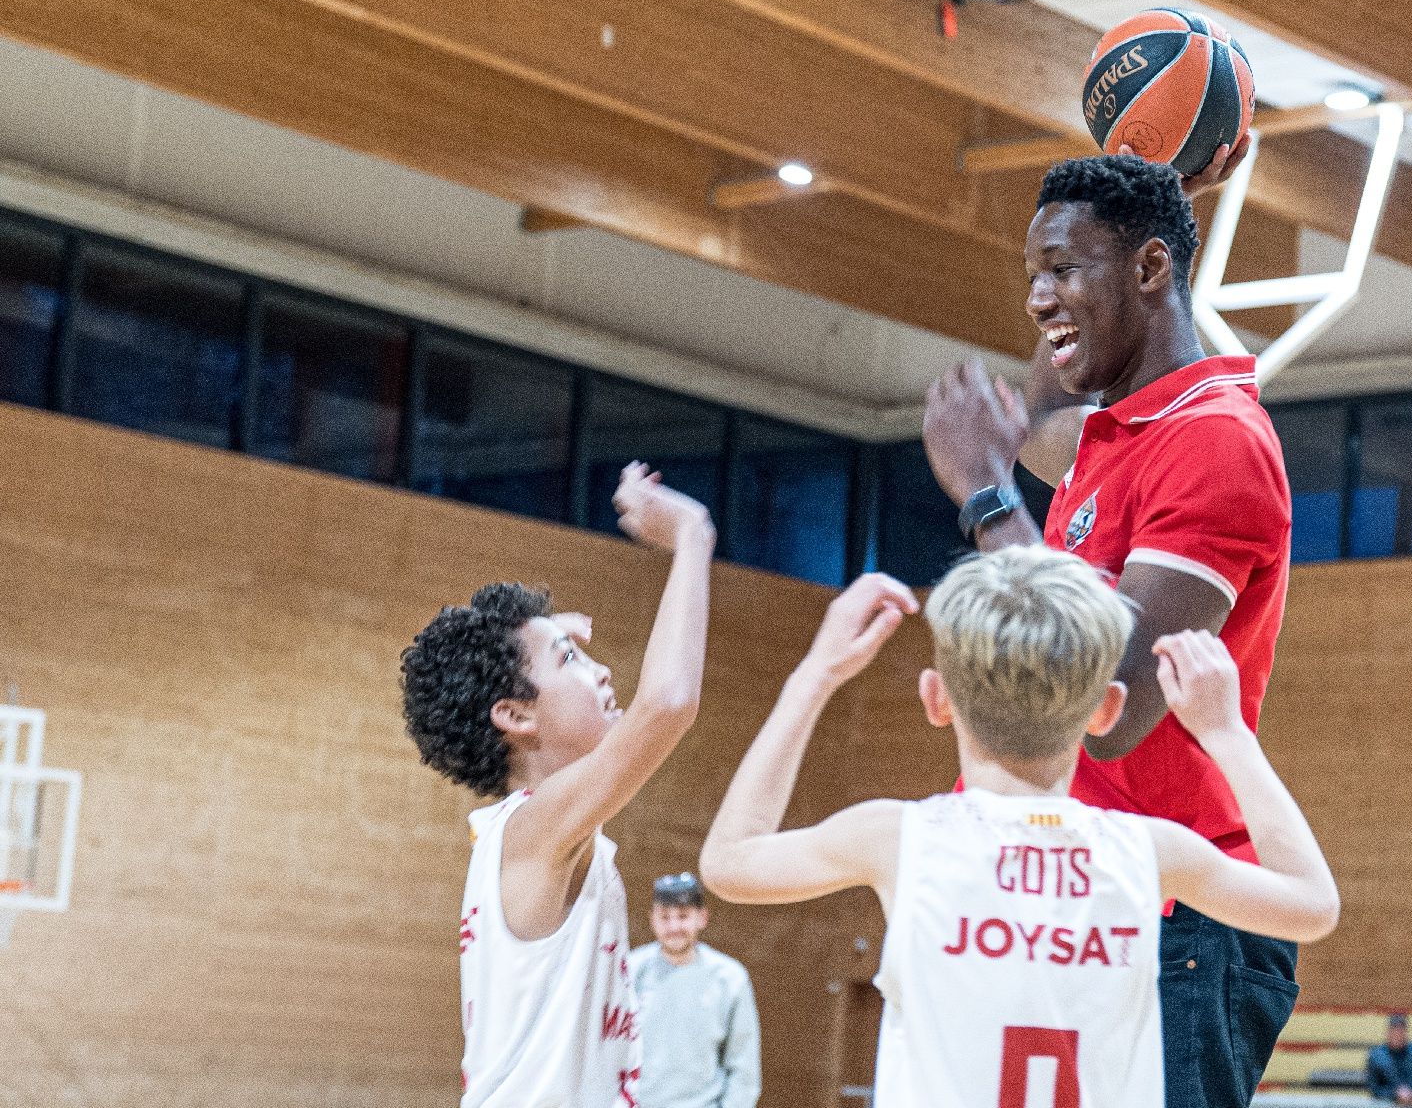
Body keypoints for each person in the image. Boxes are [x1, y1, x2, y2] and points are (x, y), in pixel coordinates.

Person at [921, 150, 1297, 1108]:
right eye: (1032, 276)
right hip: (1076, 892)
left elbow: (1111, 698)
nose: (1041, 296)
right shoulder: (1116, 435)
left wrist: (986, 496)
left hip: (1179, 920)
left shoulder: (1216, 439)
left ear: (1150, 269)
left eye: (1064, 269)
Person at [698, 546, 1339, 1107]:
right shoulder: (1147, 852)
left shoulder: (898, 839)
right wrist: (1225, 734)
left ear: (935, 697)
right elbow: (1312, 906)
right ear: (1107, 710)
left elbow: (728, 862)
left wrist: (815, 674)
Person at [401, 462, 715, 1107]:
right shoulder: (531, 830)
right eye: (572, 661)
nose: (602, 671)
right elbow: (668, 704)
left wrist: (551, 643)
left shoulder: (535, 833)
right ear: (514, 715)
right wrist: (692, 532)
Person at [629, 872, 761, 1108]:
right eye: (664, 917)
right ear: (652, 919)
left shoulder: (729, 978)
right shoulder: (630, 970)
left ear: (702, 917)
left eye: (683, 916)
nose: (673, 926)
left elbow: (744, 1066)